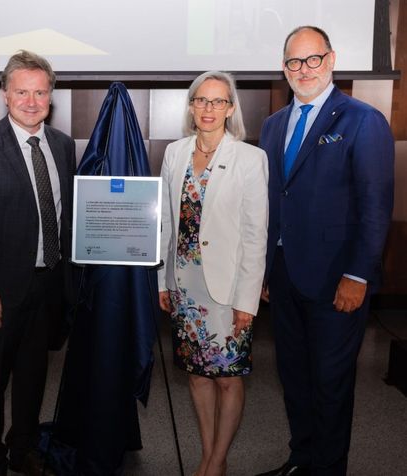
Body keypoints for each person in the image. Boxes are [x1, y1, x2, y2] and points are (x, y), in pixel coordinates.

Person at [256, 26, 394, 476]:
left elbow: (376, 207)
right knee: (294, 380)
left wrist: (359, 274)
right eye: (294, 62)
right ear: (284, 69)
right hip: (284, 278)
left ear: (331, 61)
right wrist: (262, 272)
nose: (304, 70)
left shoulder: (362, 120)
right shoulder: (273, 126)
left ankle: (328, 469)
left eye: (313, 59)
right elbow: (274, 201)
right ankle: (302, 461)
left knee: (331, 384)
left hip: (338, 281)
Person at [0, 50, 75, 476]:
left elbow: (66, 215)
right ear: (5, 94)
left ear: (50, 96)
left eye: (40, 92)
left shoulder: (62, 145)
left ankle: (21, 446)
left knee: (32, 374)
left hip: (47, 286)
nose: (31, 100)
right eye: (22, 91)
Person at [158, 71, 268, 476]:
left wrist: (247, 301)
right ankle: (209, 456)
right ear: (190, 105)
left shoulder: (250, 158)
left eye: (218, 101)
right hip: (184, 285)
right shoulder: (175, 153)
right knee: (197, 375)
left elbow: (257, 235)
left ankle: (217, 460)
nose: (209, 109)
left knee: (227, 377)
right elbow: (167, 223)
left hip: (227, 290)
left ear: (231, 108)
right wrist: (161, 280)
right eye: (201, 100)